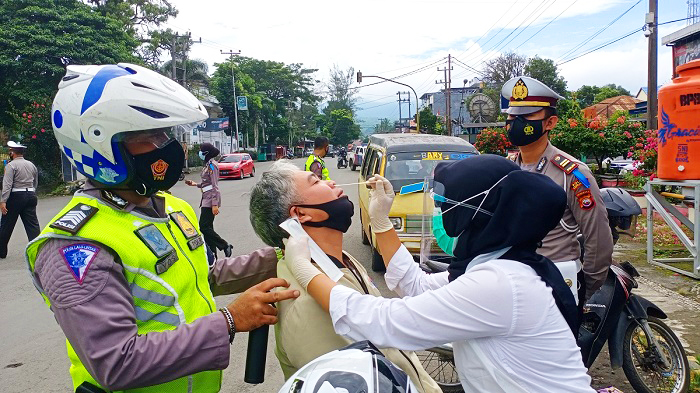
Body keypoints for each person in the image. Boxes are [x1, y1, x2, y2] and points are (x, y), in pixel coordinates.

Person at [25, 63, 299, 392]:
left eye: (166, 134)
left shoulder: (169, 207)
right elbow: (116, 362)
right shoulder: (77, 245)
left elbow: (203, 275)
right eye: (150, 136)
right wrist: (229, 320)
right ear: (100, 145)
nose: (168, 147)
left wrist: (280, 254)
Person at [284, 155, 595, 393]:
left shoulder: (500, 283)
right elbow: (416, 285)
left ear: (476, 213)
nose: (440, 213)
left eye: (446, 206)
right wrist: (381, 222)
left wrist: (305, 271)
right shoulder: (501, 264)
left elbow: (386, 320)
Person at [249, 161, 441, 393]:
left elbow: (407, 291)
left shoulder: (338, 259)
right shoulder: (310, 305)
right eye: (317, 181)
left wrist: (381, 222)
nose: (331, 182)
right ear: (300, 213)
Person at [501, 76, 613, 302]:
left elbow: (598, 237)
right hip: (513, 285)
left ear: (550, 123)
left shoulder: (571, 174)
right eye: (512, 116)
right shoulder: (506, 169)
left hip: (557, 284)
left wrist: (585, 289)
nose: (517, 123)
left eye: (528, 116)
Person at [185, 142, 232, 258]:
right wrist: (195, 184)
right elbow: (207, 183)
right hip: (206, 198)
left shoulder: (212, 165)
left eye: (201, 150)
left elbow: (215, 185)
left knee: (204, 226)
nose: (199, 152)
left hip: (211, 199)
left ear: (206, 153)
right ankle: (213, 256)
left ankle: (225, 245)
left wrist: (214, 204)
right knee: (208, 228)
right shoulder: (207, 164)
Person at [0, 141, 40, 258]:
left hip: (16, 196)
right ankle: (38, 250)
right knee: (32, 226)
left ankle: (1, 252)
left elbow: (7, 185)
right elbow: (35, 182)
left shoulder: (11, 166)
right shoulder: (31, 165)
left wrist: (3, 201)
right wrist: (32, 192)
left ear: (12, 153)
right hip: (31, 195)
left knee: (6, 225)